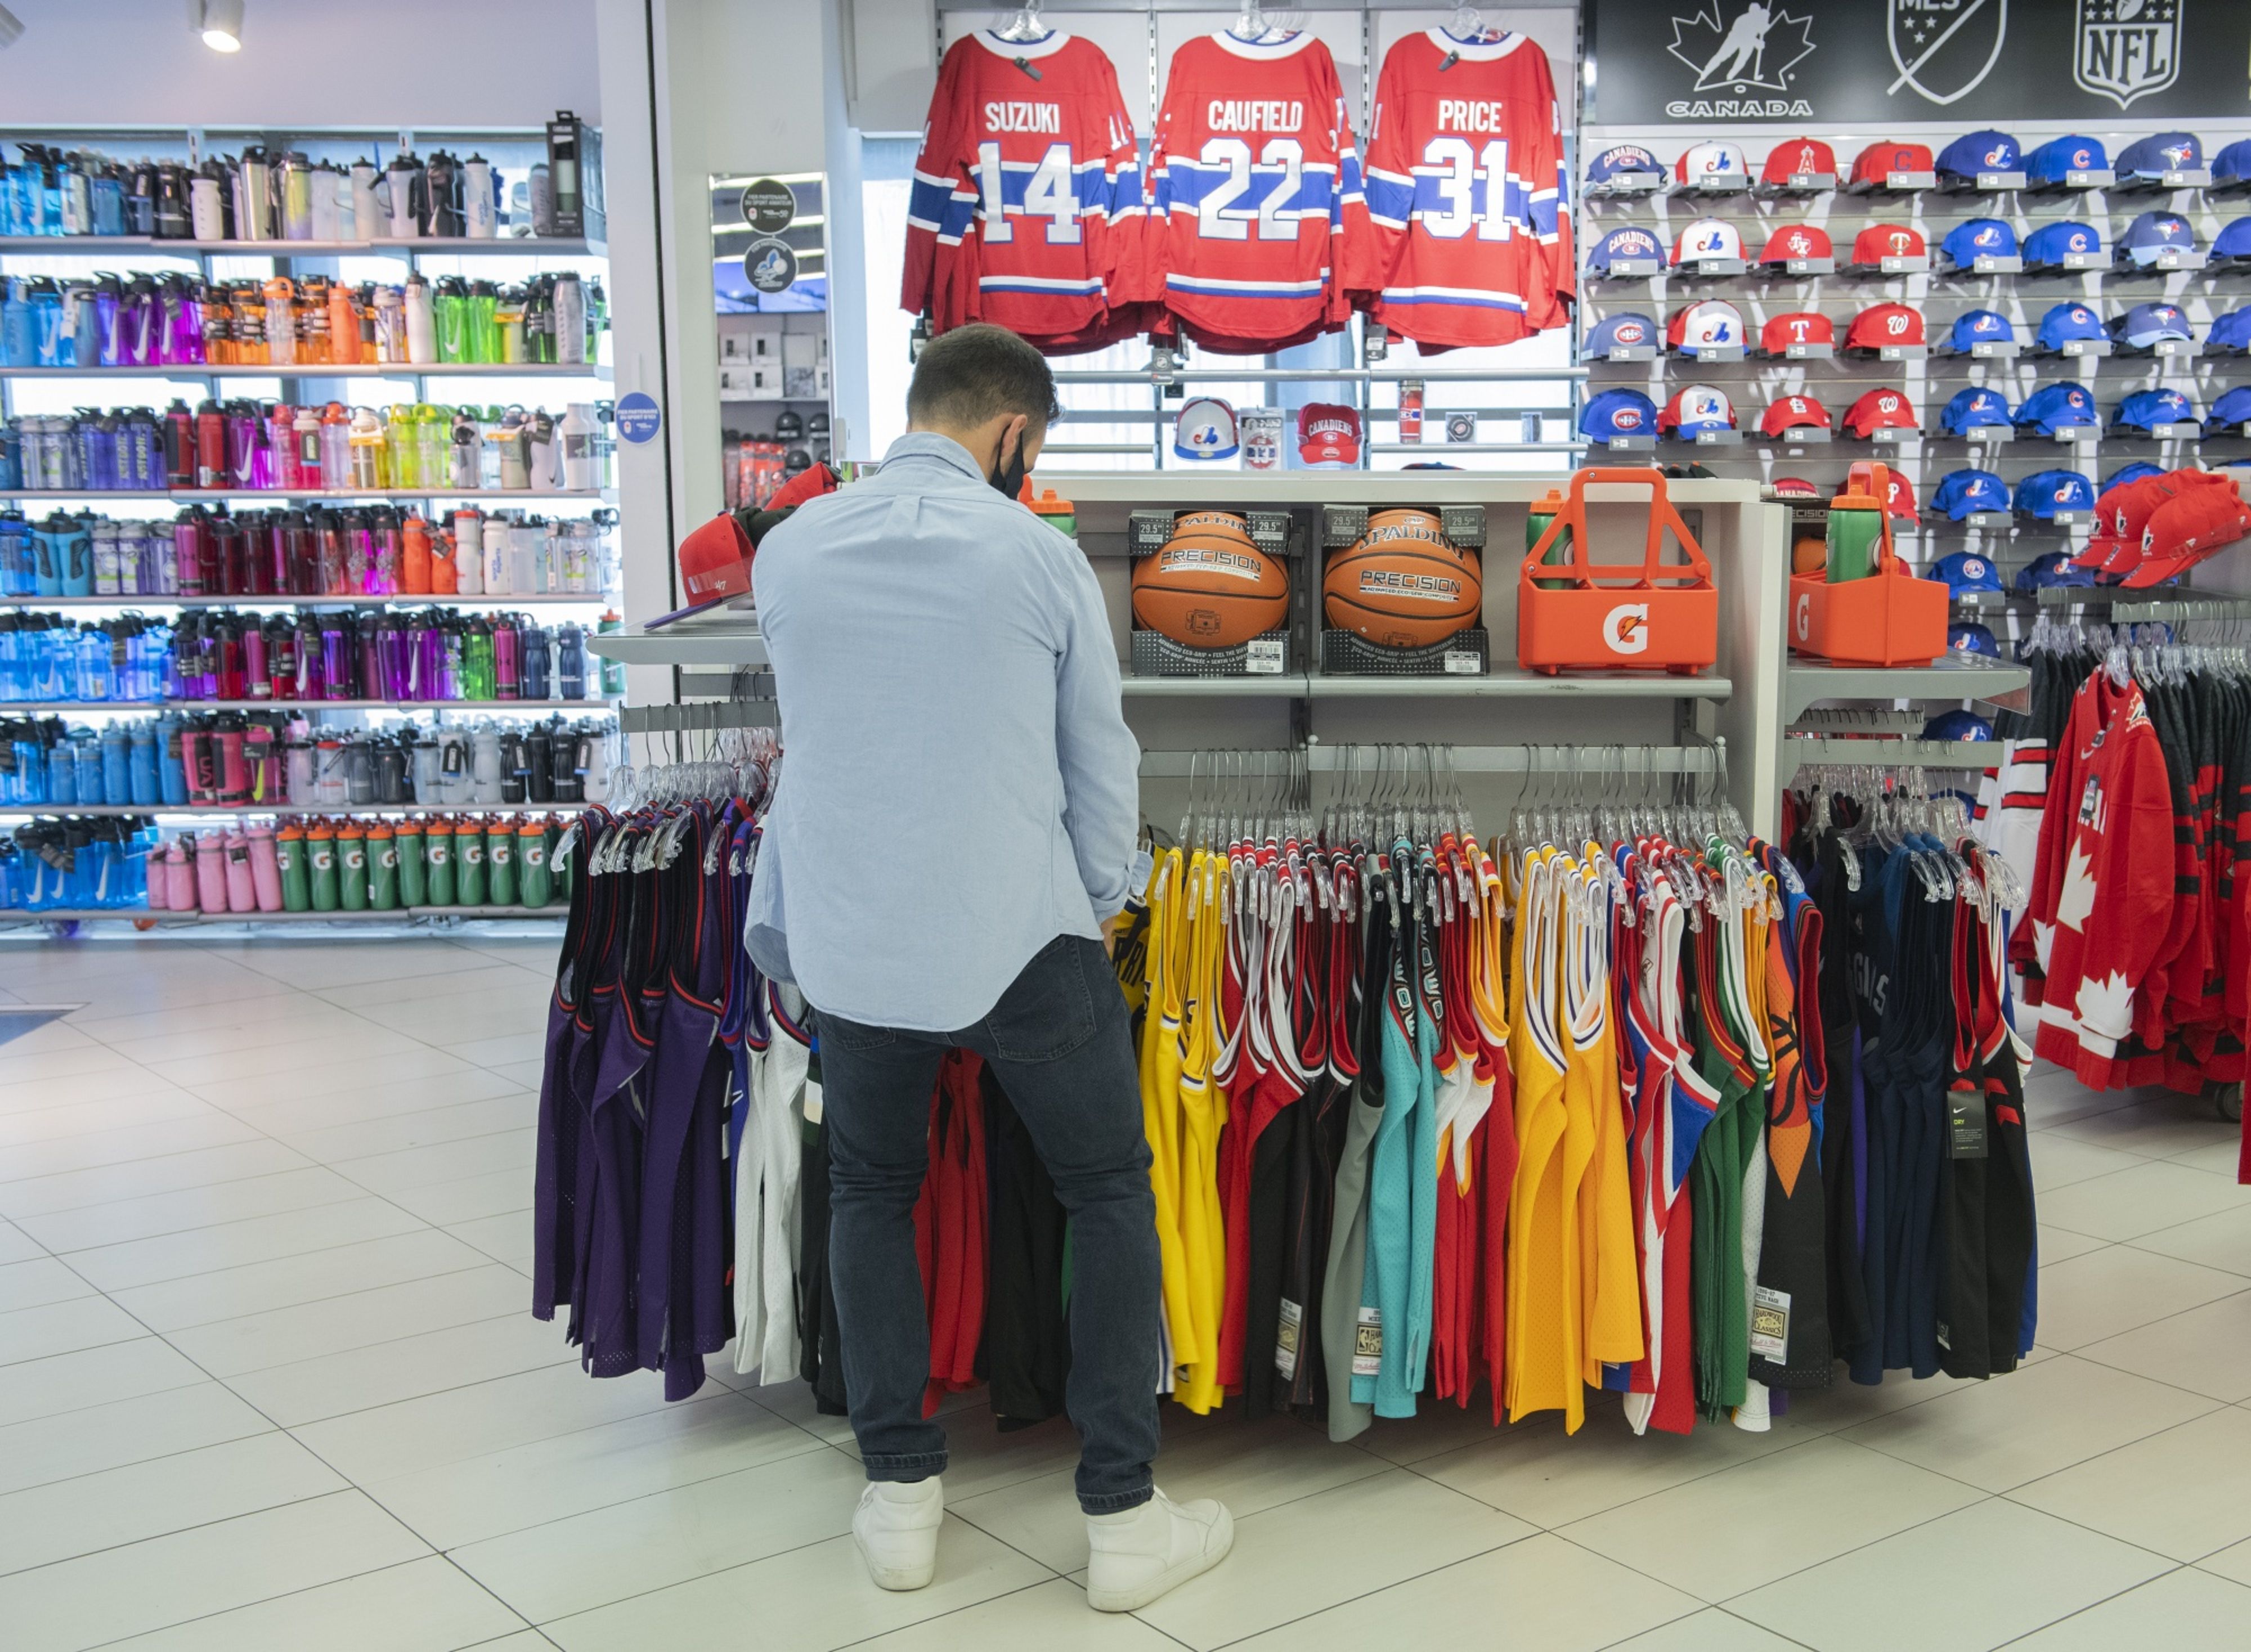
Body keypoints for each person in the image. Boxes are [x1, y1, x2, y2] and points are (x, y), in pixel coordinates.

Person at [746, 324, 1234, 1612]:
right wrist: (1094, 904)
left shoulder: (789, 550)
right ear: (1013, 434)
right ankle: (1123, 1518)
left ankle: (901, 1494)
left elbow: (819, 738)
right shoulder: (1038, 554)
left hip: (851, 934)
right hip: (1019, 933)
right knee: (1107, 1195)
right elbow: (1098, 760)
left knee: (870, 1193)